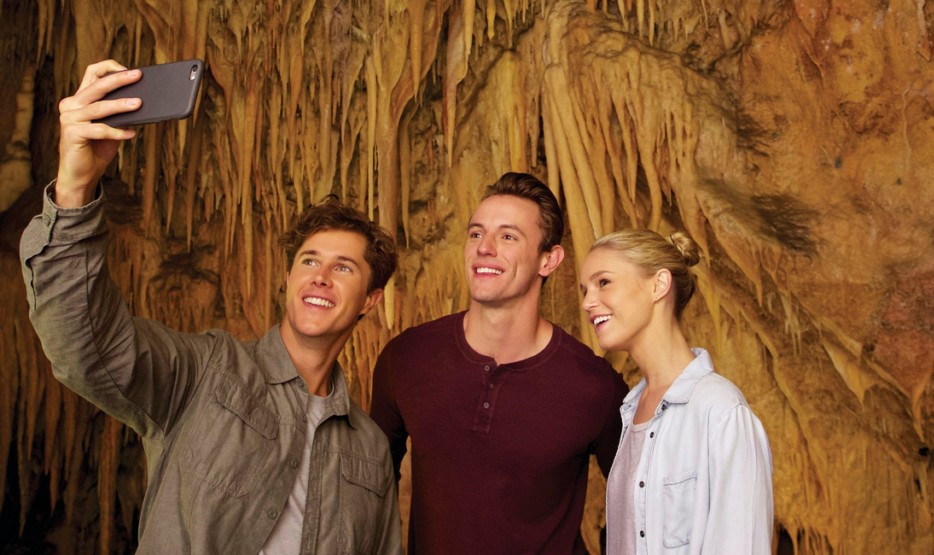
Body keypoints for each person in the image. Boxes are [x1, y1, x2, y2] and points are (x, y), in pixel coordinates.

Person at [20, 61, 402, 555]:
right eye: (309, 260)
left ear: (371, 301)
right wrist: (74, 193)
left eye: (344, 268)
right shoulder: (202, 373)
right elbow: (85, 346)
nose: (320, 276)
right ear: (288, 278)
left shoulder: (369, 449)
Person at [370, 171, 628, 555]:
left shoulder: (595, 386)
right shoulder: (407, 358)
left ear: (548, 260)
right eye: (476, 233)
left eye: (507, 236)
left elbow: (638, 505)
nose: (484, 248)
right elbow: (368, 492)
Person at [580, 229, 774, 555]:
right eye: (584, 289)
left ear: (659, 285)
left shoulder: (721, 412)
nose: (587, 302)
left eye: (603, 283)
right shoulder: (629, 412)